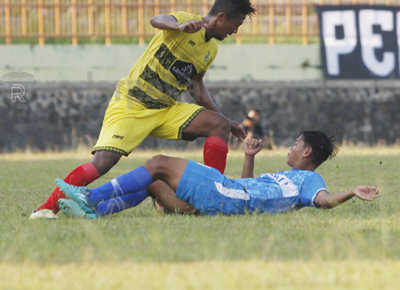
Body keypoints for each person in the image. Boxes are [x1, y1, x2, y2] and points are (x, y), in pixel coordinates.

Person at [30, 0, 256, 220]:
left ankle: (212, 196)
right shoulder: (187, 21)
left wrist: (227, 120)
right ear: (221, 18)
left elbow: (196, 87)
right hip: (131, 103)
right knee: (103, 162)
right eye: (235, 25)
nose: (235, 31)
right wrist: (178, 27)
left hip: (165, 109)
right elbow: (157, 20)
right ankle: (45, 209)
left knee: (217, 124)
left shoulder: (211, 50)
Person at [56, 130, 379, 219]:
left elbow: (323, 201)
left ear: (308, 152)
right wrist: (249, 158)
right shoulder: (289, 176)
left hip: (224, 195)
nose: (291, 148)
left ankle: (89, 197)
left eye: (296, 144)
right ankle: (95, 212)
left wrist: (350, 192)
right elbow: (246, 186)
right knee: (154, 181)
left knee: (157, 162)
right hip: (228, 196)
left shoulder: (311, 181)